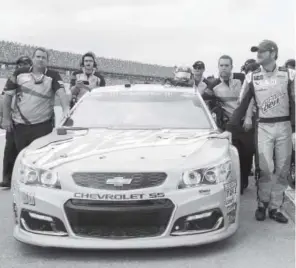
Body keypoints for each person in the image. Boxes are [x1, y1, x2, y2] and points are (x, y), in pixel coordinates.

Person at [226, 40, 295, 223]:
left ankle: (275, 207)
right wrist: (229, 128)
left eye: (262, 51)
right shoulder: (252, 77)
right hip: (263, 126)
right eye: (257, 51)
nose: (258, 54)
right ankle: (262, 204)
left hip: (285, 126)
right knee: (265, 168)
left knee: (283, 169)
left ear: (273, 53)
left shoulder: (289, 74)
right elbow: (242, 105)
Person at [1, 47, 70, 154]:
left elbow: (61, 93)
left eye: (43, 58)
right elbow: (7, 96)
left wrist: (65, 108)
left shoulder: (53, 75)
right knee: (19, 157)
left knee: (39, 157)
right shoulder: (19, 73)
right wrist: (6, 118)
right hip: (20, 125)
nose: (40, 59)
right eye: (38, 57)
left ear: (47, 61)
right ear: (33, 59)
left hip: (42, 126)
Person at [202, 55, 254, 194]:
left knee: (247, 155)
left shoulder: (241, 79)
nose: (224, 68)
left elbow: (251, 98)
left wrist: (249, 116)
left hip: (246, 123)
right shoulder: (213, 85)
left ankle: (243, 182)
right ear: (218, 67)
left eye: (226, 65)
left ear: (232, 67)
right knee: (232, 156)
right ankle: (236, 186)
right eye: (221, 65)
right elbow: (202, 100)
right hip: (229, 126)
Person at [0, 56, 33, 188]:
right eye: (20, 65)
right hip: (14, 120)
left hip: (32, 122)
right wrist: (4, 117)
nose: (22, 67)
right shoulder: (12, 80)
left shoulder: (35, 81)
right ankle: (7, 178)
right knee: (10, 150)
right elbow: (4, 99)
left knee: (29, 152)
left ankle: (28, 180)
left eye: (25, 64)